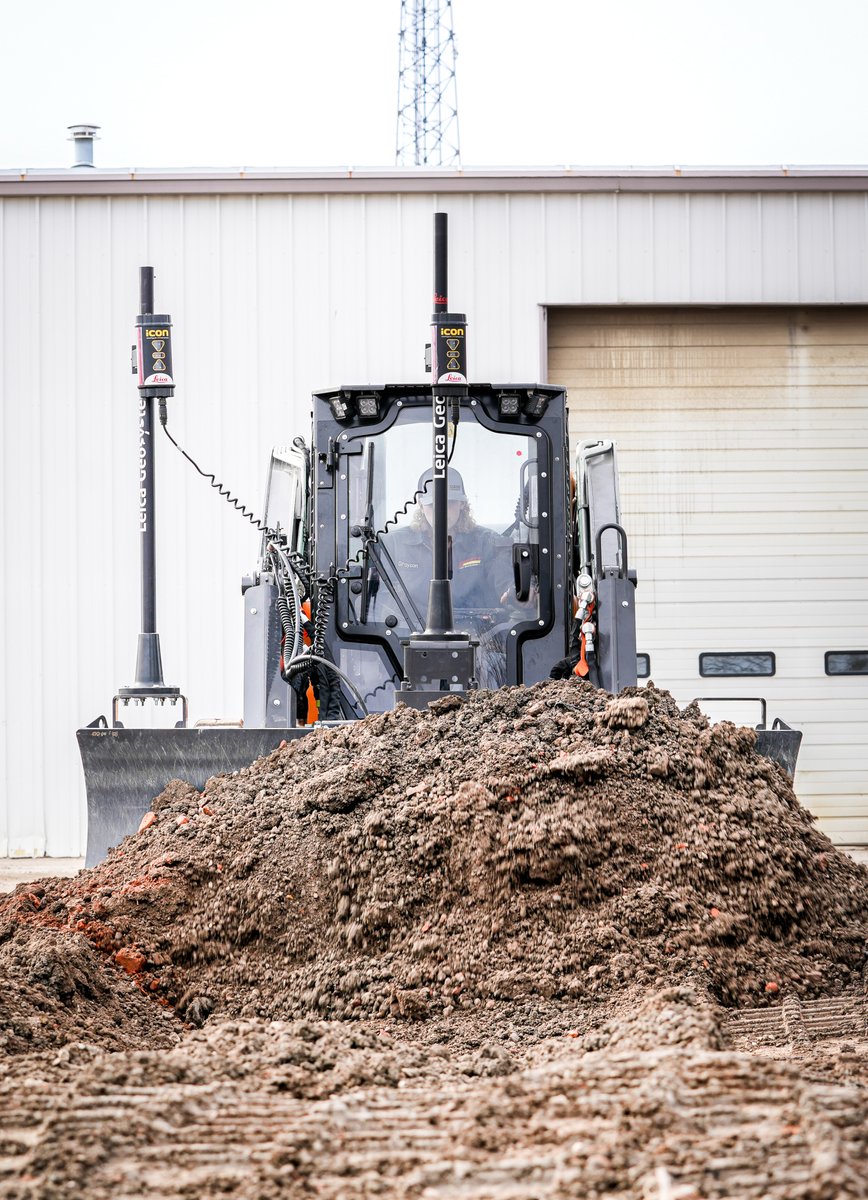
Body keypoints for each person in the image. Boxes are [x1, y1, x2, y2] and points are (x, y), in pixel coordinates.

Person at [377, 467, 517, 626]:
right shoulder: (393, 546)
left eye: (449, 503)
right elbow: (380, 602)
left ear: (462, 504)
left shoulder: (487, 543)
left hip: (476, 638)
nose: (440, 511)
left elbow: (507, 583)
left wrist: (518, 595)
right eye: (432, 504)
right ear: (421, 506)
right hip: (410, 635)